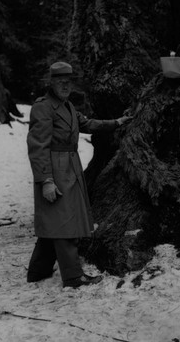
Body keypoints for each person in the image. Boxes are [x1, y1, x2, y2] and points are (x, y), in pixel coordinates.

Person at [26, 61, 132, 288]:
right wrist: (45, 180)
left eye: (68, 81)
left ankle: (37, 271)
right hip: (55, 170)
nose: (65, 85)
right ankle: (73, 276)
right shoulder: (43, 107)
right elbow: (37, 147)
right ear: (51, 82)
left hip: (70, 167)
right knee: (64, 223)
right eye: (60, 81)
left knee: (55, 220)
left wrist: (117, 122)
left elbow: (88, 123)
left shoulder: (67, 106)